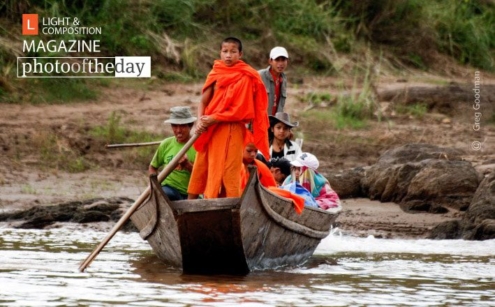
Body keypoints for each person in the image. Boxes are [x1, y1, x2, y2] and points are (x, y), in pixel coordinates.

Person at [187, 37, 270, 199]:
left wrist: (213, 119)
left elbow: (241, 110)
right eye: (225, 51)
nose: (228, 55)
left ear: (240, 54)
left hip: (232, 129)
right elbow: (203, 101)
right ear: (220, 52)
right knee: (202, 164)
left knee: (230, 169)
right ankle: (190, 204)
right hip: (209, 129)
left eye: (233, 52)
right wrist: (199, 121)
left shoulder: (246, 75)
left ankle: (231, 204)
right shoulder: (215, 72)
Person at [149, 106, 197, 201]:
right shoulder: (166, 144)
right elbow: (153, 167)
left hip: (192, 194)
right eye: (174, 126)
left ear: (190, 126)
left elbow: (203, 177)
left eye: (182, 126)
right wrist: (154, 187)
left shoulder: (198, 146)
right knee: (166, 195)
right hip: (169, 189)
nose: (178, 130)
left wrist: (187, 166)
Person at [258, 46, 289, 116]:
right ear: (270, 61)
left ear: (287, 61)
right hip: (259, 121)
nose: (280, 63)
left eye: (283, 60)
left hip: (274, 122)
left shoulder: (283, 79)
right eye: (277, 60)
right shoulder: (259, 76)